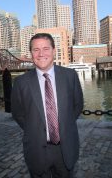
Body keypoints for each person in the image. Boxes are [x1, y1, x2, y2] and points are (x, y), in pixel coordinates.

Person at [11, 33, 84, 177]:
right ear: (31, 53)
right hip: (37, 150)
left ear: (53, 50)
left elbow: (77, 106)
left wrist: (63, 125)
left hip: (65, 149)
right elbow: (18, 114)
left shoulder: (70, 76)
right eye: (36, 49)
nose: (41, 54)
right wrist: (35, 129)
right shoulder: (21, 83)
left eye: (45, 48)